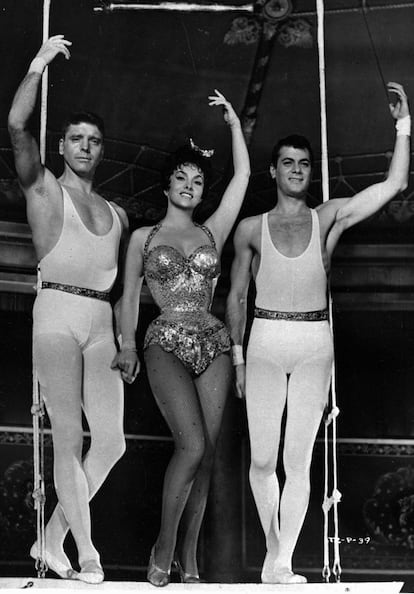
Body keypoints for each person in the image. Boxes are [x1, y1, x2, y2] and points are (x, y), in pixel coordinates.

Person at [226, 82, 410, 584]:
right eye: (287, 162)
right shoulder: (249, 228)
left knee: (297, 459)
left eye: (304, 163)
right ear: (273, 170)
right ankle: (271, 552)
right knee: (262, 459)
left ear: (310, 170)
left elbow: (392, 186)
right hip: (263, 342)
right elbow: (235, 298)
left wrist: (402, 125)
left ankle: (282, 561)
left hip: (313, 345)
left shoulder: (327, 217)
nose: (297, 170)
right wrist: (238, 360)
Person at [112, 89, 250, 586]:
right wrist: (126, 343)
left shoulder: (213, 231)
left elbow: (244, 178)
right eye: (182, 177)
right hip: (164, 339)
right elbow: (127, 296)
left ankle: (188, 559)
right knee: (190, 446)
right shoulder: (143, 238)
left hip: (212, 340)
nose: (190, 185)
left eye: (197, 181)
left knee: (209, 454)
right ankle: (163, 546)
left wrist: (235, 126)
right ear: (167, 184)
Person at [8, 36, 129, 584]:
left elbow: (122, 287)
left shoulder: (117, 212)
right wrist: (38, 66)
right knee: (69, 438)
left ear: (103, 149)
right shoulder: (43, 190)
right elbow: (15, 125)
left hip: (100, 322)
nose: (85, 147)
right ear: (61, 145)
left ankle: (51, 538)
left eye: (94, 141)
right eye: (76, 139)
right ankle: (88, 554)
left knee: (112, 442)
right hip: (56, 313)